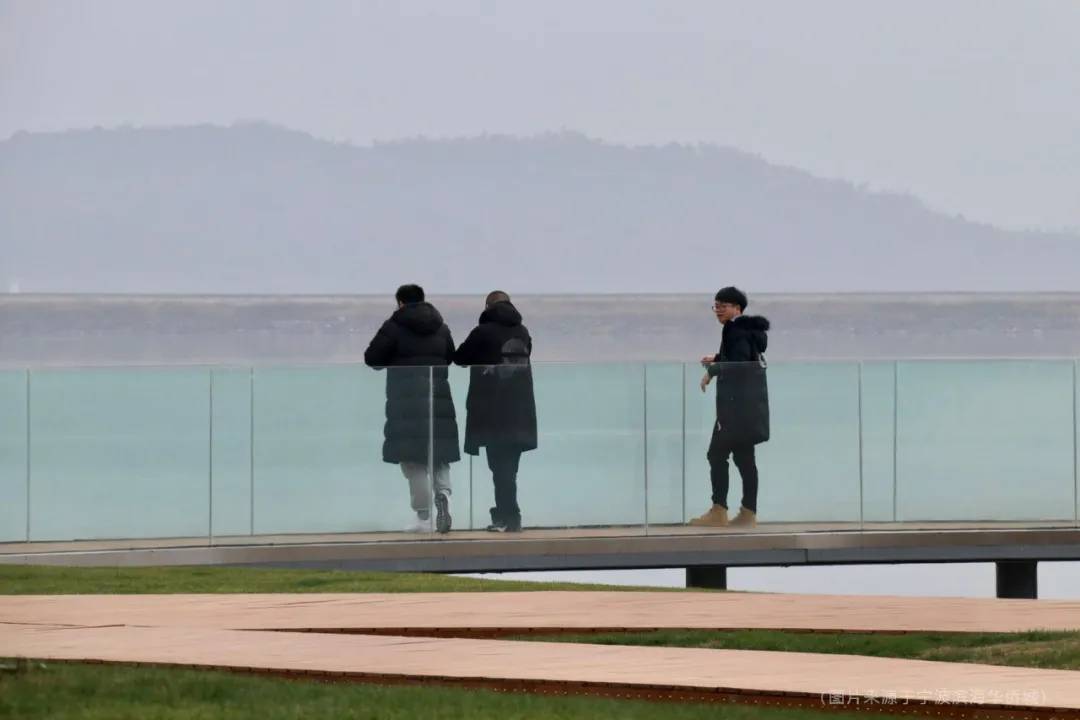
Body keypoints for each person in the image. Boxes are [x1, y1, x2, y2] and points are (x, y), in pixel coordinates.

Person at [364, 284, 460, 533]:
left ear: (400, 303)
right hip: (438, 399)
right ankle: (444, 495)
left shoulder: (393, 326)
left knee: (412, 459)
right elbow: (450, 356)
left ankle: (424, 516)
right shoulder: (441, 326)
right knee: (440, 456)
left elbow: (372, 359)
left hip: (405, 403)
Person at [452, 290, 537, 532]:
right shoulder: (523, 332)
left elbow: (460, 358)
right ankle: (507, 515)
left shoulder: (483, 332)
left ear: (488, 307)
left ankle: (509, 518)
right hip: (521, 410)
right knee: (508, 469)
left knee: (500, 468)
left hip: (492, 410)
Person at [691, 286, 770, 528]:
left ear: (737, 308)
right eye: (715, 306)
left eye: (723, 306)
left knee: (716, 455)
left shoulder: (734, 330)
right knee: (745, 459)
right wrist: (717, 358)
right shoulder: (749, 330)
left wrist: (713, 371)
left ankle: (719, 511)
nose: (718, 311)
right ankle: (748, 513)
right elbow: (742, 358)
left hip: (733, 409)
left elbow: (738, 364)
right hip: (748, 407)